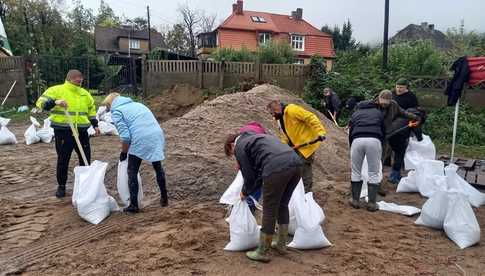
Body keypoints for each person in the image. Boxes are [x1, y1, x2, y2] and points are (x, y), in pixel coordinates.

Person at [224, 132, 303, 263]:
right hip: (295, 164)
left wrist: (245, 192)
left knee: (269, 209)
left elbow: (249, 175)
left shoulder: (240, 146)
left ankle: (262, 251)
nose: (235, 157)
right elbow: (259, 173)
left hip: (277, 168)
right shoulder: (254, 138)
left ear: (232, 145)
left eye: (232, 154)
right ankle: (281, 244)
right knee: (282, 204)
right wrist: (251, 188)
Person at [36, 70, 100, 198]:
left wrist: (95, 124)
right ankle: (61, 186)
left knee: (85, 158)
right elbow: (40, 103)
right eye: (77, 78)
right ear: (69, 78)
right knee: (63, 159)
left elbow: (91, 110)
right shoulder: (56, 90)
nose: (80, 80)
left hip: (81, 131)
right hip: (63, 131)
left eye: (81, 78)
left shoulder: (85, 94)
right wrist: (55, 102)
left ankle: (85, 185)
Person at [102, 93, 168, 213]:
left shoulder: (117, 111)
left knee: (132, 171)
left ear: (110, 104)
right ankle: (164, 198)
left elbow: (126, 137)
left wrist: (124, 152)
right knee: (157, 167)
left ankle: (133, 205)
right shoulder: (138, 104)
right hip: (156, 135)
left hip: (140, 138)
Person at [266, 100, 326, 192]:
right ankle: (297, 190)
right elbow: (284, 134)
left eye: (272, 113)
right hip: (295, 146)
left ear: (277, 109)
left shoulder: (292, 110)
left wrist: (321, 132)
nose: (272, 116)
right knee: (294, 168)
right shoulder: (279, 119)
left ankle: (306, 193)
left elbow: (310, 117)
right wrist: (283, 146)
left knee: (304, 168)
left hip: (306, 144)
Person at [376, 90, 421, 189]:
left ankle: (383, 179)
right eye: (382, 102)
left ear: (390, 100)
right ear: (378, 99)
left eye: (386, 103)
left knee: (385, 155)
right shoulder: (373, 105)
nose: (384, 104)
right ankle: (375, 179)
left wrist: (415, 117)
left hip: (390, 133)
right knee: (379, 156)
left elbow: (403, 112)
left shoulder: (393, 105)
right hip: (377, 133)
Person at [348, 99, 385, 211]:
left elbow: (351, 131)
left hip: (357, 140)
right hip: (374, 140)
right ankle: (372, 203)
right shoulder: (378, 113)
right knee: (374, 172)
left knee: (356, 171)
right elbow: (384, 129)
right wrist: (380, 142)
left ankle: (355, 200)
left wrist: (351, 145)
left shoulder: (355, 113)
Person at [239, 121, 266, 214]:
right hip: (258, 157)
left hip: (249, 155)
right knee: (257, 181)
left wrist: (240, 164)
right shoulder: (261, 131)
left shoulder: (243, 130)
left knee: (250, 178)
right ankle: (252, 204)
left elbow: (241, 148)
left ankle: (248, 202)